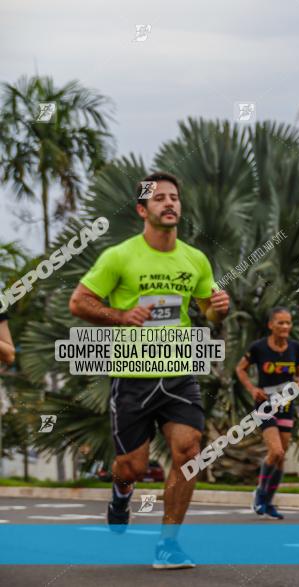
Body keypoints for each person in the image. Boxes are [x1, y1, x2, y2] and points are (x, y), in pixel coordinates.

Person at [69, 172, 230, 569]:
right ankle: (121, 495)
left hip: (179, 374)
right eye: (159, 198)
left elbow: (205, 308)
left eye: (174, 197)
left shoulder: (195, 258)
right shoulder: (119, 256)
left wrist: (216, 307)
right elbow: (80, 302)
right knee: (132, 468)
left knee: (189, 450)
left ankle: (168, 543)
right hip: (133, 377)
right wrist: (121, 315)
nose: (169, 203)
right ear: (142, 209)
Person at [235, 307, 299, 520]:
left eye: (288, 323)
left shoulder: (296, 349)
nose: (285, 327)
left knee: (281, 457)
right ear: (271, 325)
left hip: (286, 405)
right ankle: (260, 492)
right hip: (265, 404)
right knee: (276, 452)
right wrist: (252, 389)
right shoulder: (258, 348)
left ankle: (268, 502)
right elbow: (240, 369)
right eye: (281, 323)